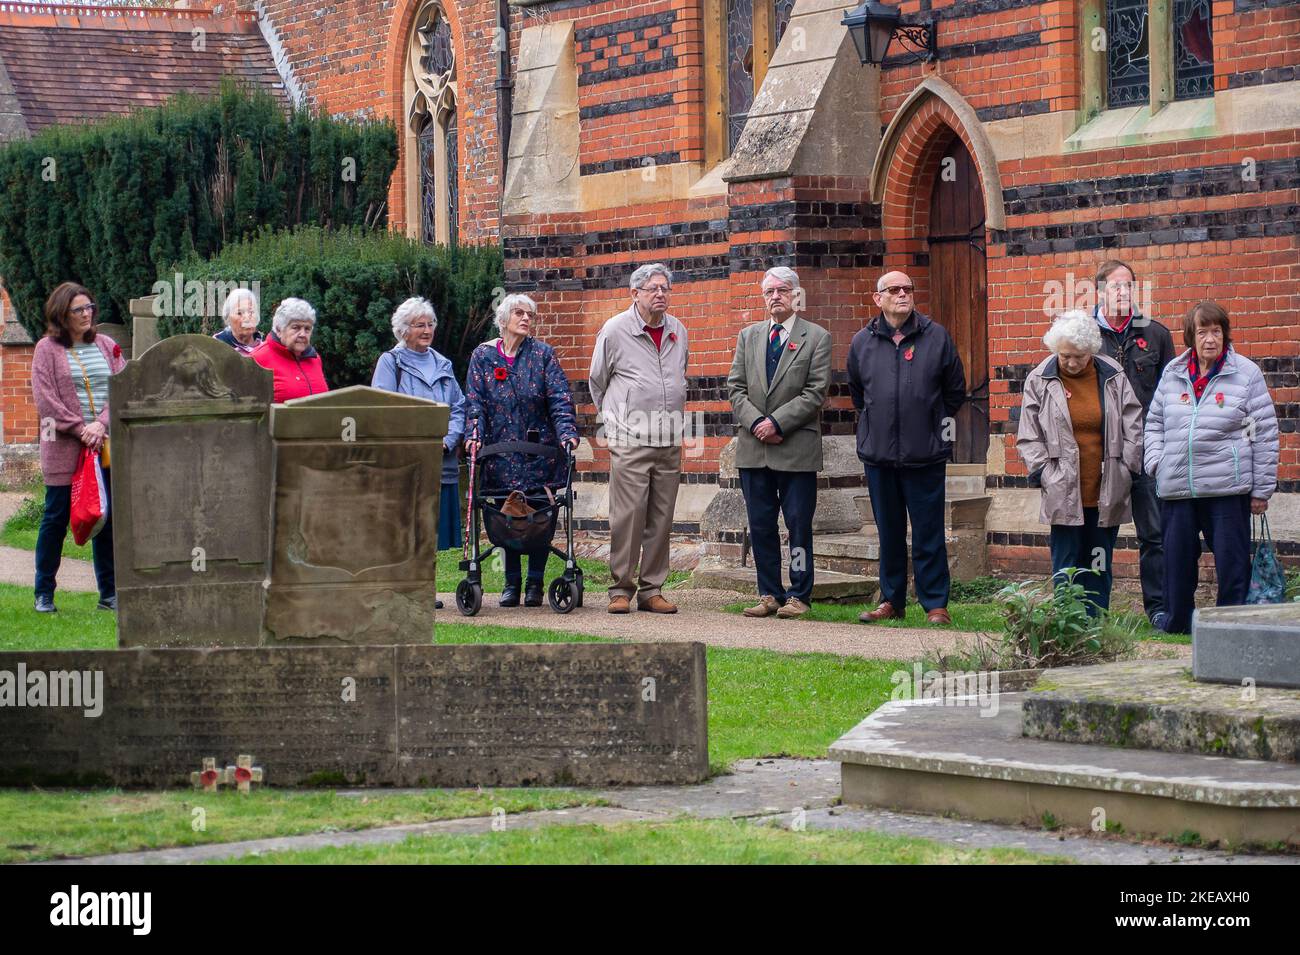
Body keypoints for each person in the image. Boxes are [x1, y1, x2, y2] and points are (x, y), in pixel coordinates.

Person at [1144, 302, 1279, 634]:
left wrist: (1261, 489)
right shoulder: (1173, 373)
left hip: (1226, 489)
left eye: (1216, 331)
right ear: (1191, 336)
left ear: (1225, 334)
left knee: (1232, 563)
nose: (1209, 339)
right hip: (1177, 486)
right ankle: (1177, 622)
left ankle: (1229, 625)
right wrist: (1156, 462)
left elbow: (1261, 433)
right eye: (1202, 332)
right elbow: (1154, 424)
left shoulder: (1245, 374)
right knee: (1176, 563)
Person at [848, 271, 966, 626]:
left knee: (929, 531)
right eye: (894, 290)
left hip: (925, 454)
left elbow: (954, 391)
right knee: (890, 531)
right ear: (878, 298)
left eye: (908, 289)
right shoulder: (861, 342)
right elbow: (858, 395)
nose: (903, 294)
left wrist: (931, 424)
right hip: (880, 455)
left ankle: (935, 604)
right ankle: (891, 600)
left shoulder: (936, 337)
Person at [1015, 310, 1144, 614]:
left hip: (1106, 486)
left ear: (1092, 351)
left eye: (1079, 356)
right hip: (1063, 487)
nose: (1072, 363)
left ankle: (1096, 622)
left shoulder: (1112, 375)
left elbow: (1133, 424)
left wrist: (1127, 466)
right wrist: (1044, 472)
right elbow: (1028, 434)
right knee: (1067, 563)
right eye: (1065, 356)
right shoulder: (1041, 379)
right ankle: (1067, 625)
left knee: (1098, 561)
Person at [726, 267, 832, 619]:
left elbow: (815, 391)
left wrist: (777, 422)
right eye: (770, 291)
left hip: (795, 449)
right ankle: (769, 592)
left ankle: (799, 594)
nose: (776, 297)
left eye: (783, 291)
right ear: (763, 296)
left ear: (795, 295)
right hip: (754, 449)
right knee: (761, 525)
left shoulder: (816, 337)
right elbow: (736, 388)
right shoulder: (749, 336)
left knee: (798, 526)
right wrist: (757, 422)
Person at [465, 294, 579, 608]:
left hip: (537, 453)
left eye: (530, 314)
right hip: (500, 454)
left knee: (539, 519)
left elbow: (559, 399)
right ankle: (511, 582)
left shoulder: (543, 355)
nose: (526, 318)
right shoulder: (483, 356)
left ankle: (535, 583)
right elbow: (475, 403)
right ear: (503, 320)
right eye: (519, 313)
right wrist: (473, 435)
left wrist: (567, 432)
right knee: (507, 520)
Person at [588, 263, 689, 615]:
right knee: (628, 517)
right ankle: (620, 588)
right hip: (630, 439)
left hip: (669, 439)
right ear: (635, 294)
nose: (660, 294)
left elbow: (679, 376)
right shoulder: (615, 331)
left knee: (661, 518)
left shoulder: (678, 330)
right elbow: (597, 381)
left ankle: (652, 590)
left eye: (665, 288)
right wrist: (617, 423)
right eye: (653, 289)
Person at [29, 282, 127, 613]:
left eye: (90, 308)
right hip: (64, 446)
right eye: (78, 310)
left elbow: (123, 386)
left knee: (107, 517)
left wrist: (102, 423)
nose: (87, 314)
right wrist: (80, 428)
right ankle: (44, 593)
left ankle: (109, 593)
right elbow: (45, 399)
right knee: (56, 517)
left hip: (106, 444)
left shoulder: (107, 344)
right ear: (62, 314)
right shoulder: (46, 349)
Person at [1092, 259, 1174, 627]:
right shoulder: (1084, 336)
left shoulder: (1155, 334)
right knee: (1098, 533)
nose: (1123, 292)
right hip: (1100, 453)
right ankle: (1094, 608)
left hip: (1145, 451)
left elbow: (1173, 395)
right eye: (1115, 286)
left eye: (1129, 286)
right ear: (1100, 292)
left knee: (1154, 535)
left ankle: (1158, 608)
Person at [371, 296, 466, 551]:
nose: (427, 330)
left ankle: (428, 590)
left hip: (441, 463)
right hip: (406, 465)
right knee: (406, 535)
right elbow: (383, 410)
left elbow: (458, 407)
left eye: (430, 324)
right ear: (403, 330)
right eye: (419, 325)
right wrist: (418, 444)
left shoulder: (443, 364)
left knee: (435, 540)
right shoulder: (391, 362)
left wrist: (446, 442)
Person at [251, 298, 328, 402]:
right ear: (279, 329)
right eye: (296, 327)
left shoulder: (315, 359)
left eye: (307, 329)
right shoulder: (257, 359)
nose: (303, 334)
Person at [213, 288, 265, 356]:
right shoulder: (216, 346)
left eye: (251, 312)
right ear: (228, 318)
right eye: (239, 313)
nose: (247, 318)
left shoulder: (264, 347)